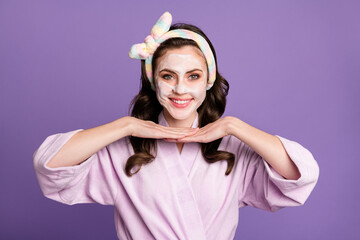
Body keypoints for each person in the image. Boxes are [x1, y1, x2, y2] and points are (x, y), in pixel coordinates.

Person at [33, 11, 319, 240]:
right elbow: (51, 165)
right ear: (153, 80)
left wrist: (234, 126)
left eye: (193, 76)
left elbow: (298, 174)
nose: (180, 89)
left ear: (208, 81)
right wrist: (125, 126)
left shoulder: (232, 149)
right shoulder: (127, 149)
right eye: (168, 76)